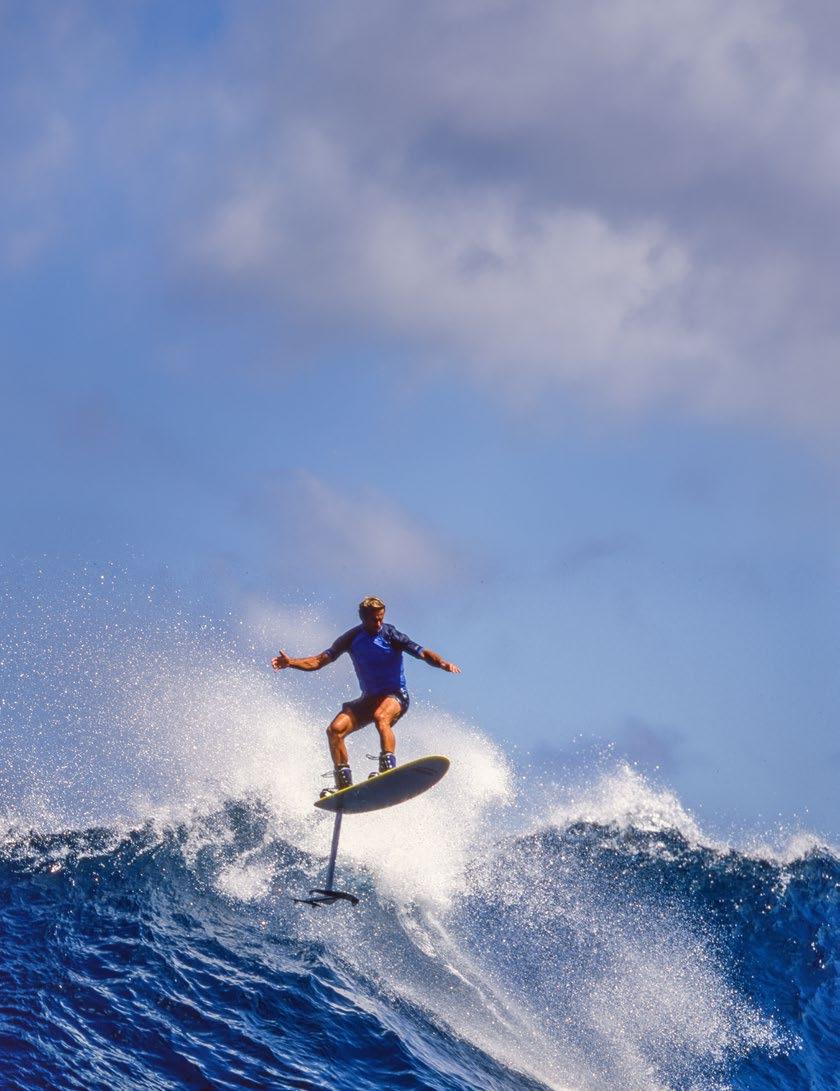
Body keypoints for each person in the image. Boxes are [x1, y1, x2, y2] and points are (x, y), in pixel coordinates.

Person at [271, 596, 460, 793]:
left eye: (381, 618)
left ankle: (388, 769)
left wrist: (442, 663)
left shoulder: (391, 635)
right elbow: (319, 661)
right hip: (370, 699)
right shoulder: (351, 638)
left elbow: (422, 653)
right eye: (374, 620)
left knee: (381, 716)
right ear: (363, 618)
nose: (378, 623)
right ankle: (343, 785)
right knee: (335, 730)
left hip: (396, 695)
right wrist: (291, 662)